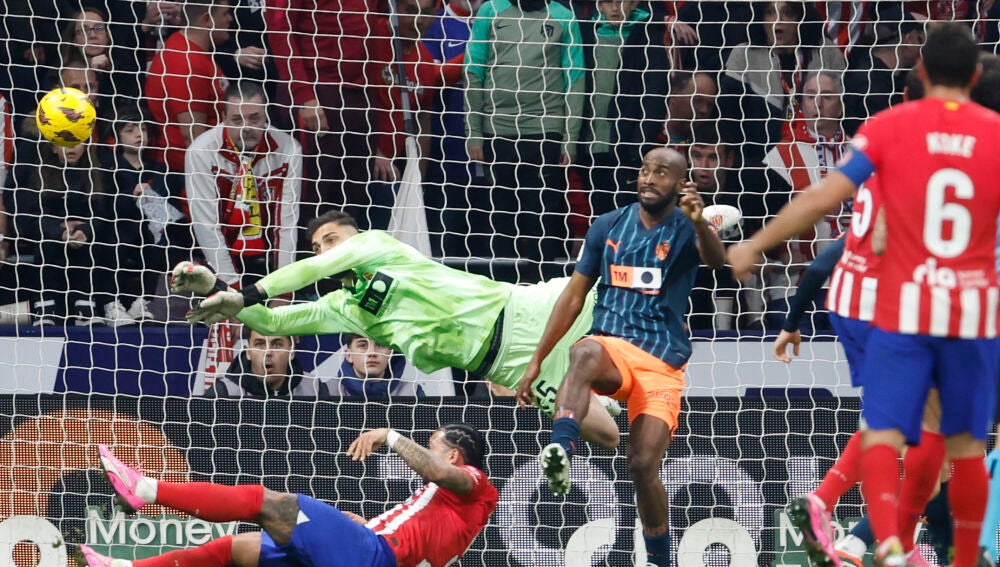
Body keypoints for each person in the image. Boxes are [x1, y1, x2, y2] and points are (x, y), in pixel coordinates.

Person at [728, 23, 1000, 567]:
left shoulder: (889, 129)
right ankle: (938, 551)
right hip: (970, 311)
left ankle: (886, 540)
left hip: (904, 305)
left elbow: (825, 201)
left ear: (920, 70)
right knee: (965, 446)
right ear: (973, 76)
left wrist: (756, 243)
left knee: (885, 427)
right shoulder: (993, 133)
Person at [170, 211, 622, 449]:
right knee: (606, 435)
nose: (324, 251)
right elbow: (272, 321)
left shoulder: (379, 246)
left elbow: (312, 269)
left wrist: (247, 293)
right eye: (317, 246)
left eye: (331, 240)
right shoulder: (345, 308)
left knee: (624, 286)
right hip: (507, 365)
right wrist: (217, 289)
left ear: (354, 238)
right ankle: (589, 385)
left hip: (525, 311)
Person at [517, 147, 726, 567]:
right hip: (614, 349)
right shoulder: (609, 225)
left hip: (662, 361)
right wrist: (538, 358)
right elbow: (573, 295)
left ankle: (659, 560)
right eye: (645, 170)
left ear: (680, 183)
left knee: (643, 466)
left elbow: (718, 262)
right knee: (585, 350)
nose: (649, 178)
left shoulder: (687, 226)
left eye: (661, 173)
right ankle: (560, 448)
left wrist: (699, 221)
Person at [79, 423, 496, 567]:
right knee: (238, 549)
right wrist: (366, 525)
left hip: (372, 556)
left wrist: (389, 436)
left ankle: (145, 489)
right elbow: (421, 542)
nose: (425, 449)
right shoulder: (451, 505)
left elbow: (435, 470)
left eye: (432, 443)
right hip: (370, 550)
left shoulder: (474, 483)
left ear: (455, 455)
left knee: (271, 503)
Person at [465, 0, 583, 263]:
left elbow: (575, 78)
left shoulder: (563, 17)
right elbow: (473, 70)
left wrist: (570, 138)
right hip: (497, 129)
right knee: (500, 218)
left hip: (546, 129)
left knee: (543, 217)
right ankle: (501, 282)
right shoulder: (490, 10)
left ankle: (545, 281)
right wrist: (474, 131)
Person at [186, 81, 301, 289]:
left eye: (254, 118)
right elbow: (206, 226)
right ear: (224, 118)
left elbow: (286, 223)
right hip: (214, 252)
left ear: (266, 116)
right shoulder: (201, 152)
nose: (246, 128)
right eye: (237, 120)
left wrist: (283, 290)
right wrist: (231, 287)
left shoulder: (288, 149)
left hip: (267, 249)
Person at [145, 0, 232, 173]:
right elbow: (193, 137)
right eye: (225, 13)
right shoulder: (186, 63)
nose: (230, 19)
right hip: (188, 176)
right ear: (207, 19)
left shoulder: (192, 51)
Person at [208, 327, 328, 398]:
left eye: (277, 344)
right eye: (259, 344)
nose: (268, 352)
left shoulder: (315, 388)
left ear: (291, 352)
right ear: (248, 352)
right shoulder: (224, 392)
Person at [326, 334, 426, 397]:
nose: (372, 353)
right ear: (349, 355)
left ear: (390, 353)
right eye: (363, 345)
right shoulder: (327, 390)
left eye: (380, 345)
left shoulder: (412, 391)